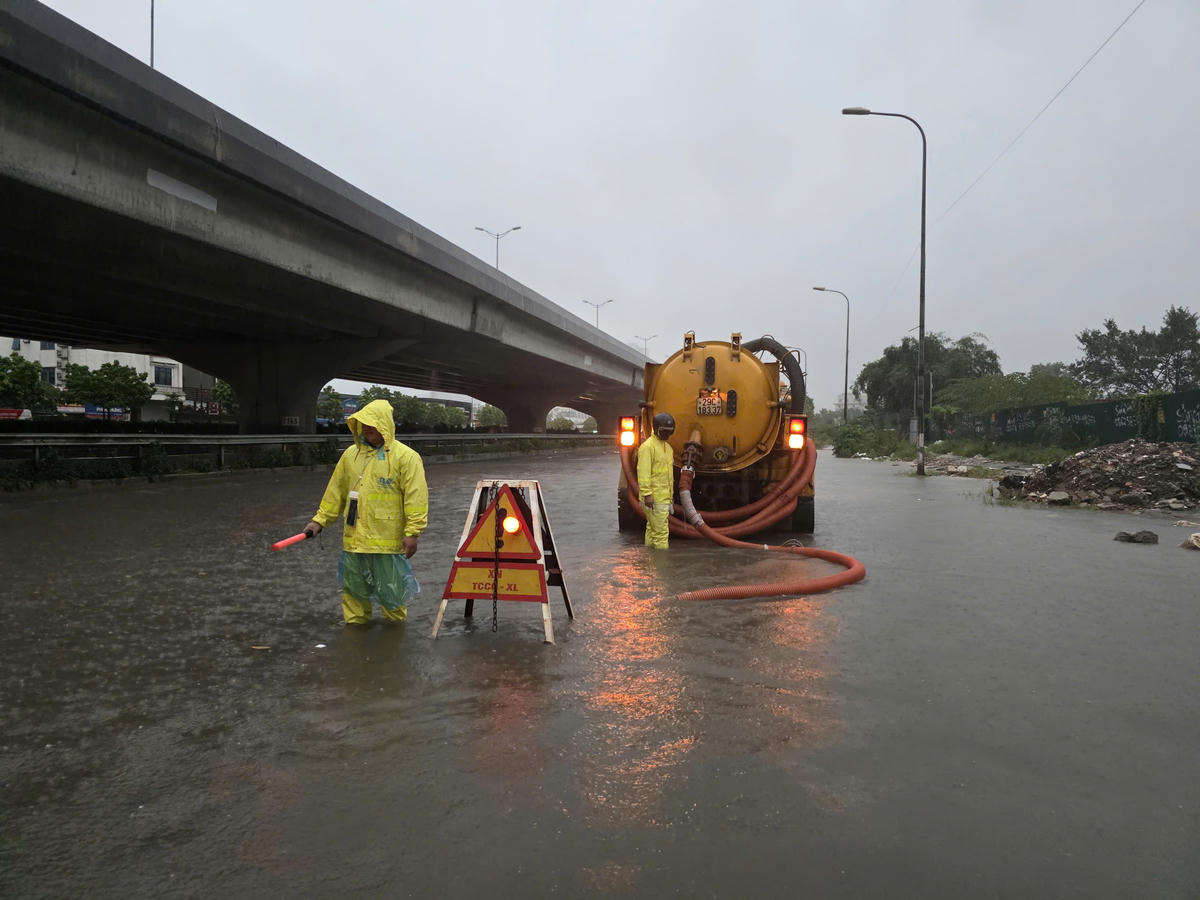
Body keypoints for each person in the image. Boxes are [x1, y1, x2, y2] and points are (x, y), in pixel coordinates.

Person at [302, 398, 428, 625]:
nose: (367, 428)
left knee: (393, 601)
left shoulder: (406, 457)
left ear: (385, 425)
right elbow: (335, 492)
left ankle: (393, 641)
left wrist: (413, 533)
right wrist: (319, 521)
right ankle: (356, 637)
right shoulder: (350, 455)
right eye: (363, 423)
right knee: (354, 598)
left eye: (373, 424)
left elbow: (416, 498)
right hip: (355, 542)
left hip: (387, 544)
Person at [637, 412, 676, 549]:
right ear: (656, 428)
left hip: (662, 498)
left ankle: (649, 558)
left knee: (652, 530)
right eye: (664, 431)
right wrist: (647, 494)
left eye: (669, 432)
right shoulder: (648, 447)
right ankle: (661, 560)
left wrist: (670, 496)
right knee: (661, 535)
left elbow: (667, 475)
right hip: (654, 499)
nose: (667, 435)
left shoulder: (667, 448)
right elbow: (643, 472)